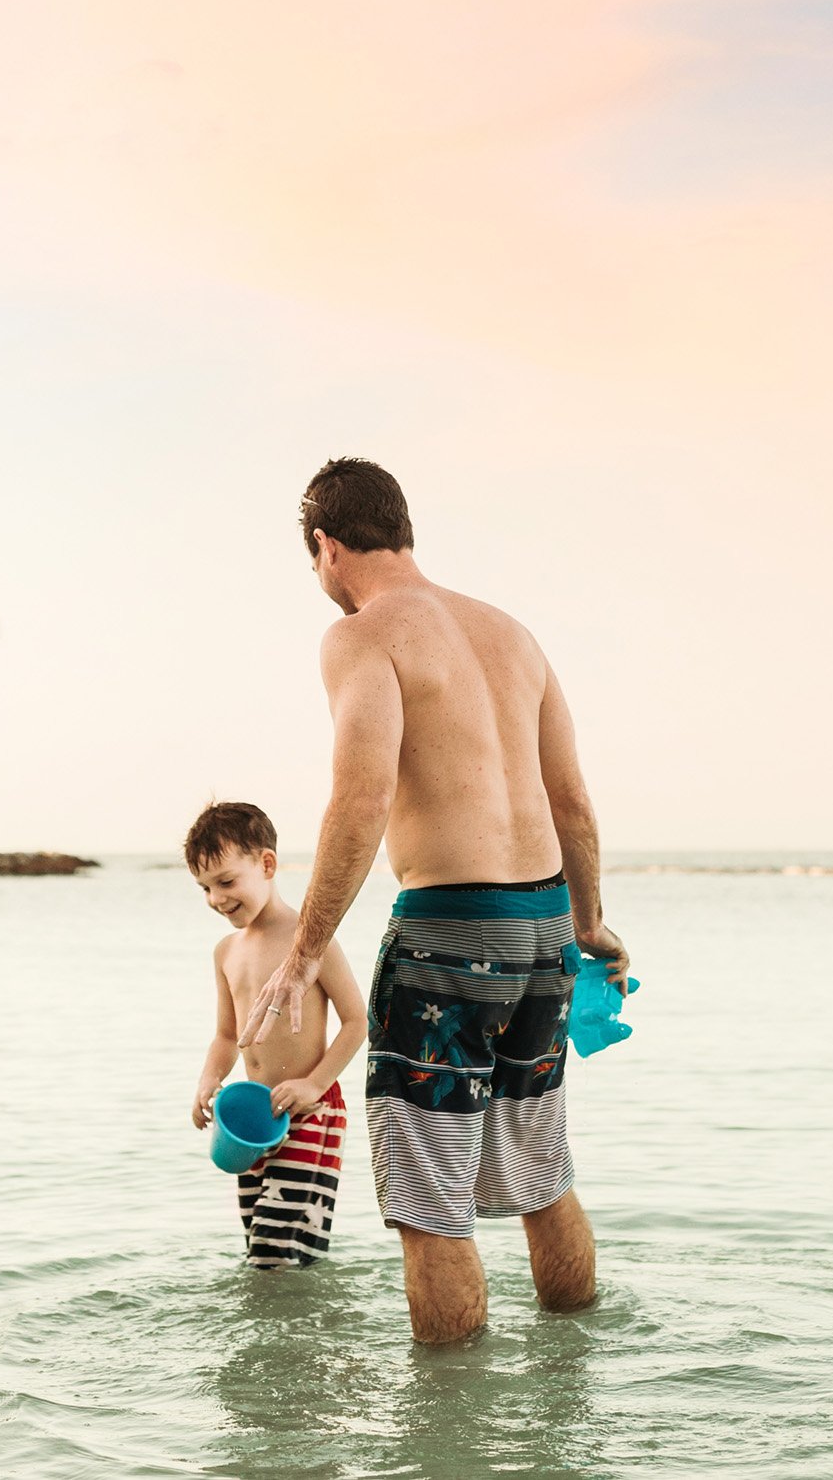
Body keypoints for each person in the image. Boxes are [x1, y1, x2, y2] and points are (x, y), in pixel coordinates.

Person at [244, 458, 630, 1340]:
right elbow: (571, 798)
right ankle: (572, 1380)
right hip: (543, 932)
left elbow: (362, 795)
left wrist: (302, 955)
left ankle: (446, 1442)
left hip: (448, 935)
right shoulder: (512, 633)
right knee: (542, 1170)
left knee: (431, 1204)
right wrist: (590, 924)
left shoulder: (364, 634)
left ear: (326, 546)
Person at [185, 801, 367, 1269]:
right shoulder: (226, 951)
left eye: (226, 881)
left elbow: (356, 1022)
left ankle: (303, 1337)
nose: (216, 899)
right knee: (259, 1247)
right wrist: (209, 1079)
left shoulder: (309, 939)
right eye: (205, 888)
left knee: (278, 1251)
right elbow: (228, 1037)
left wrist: (313, 1084)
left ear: (266, 864)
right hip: (250, 1119)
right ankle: (277, 1337)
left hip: (310, 1110)